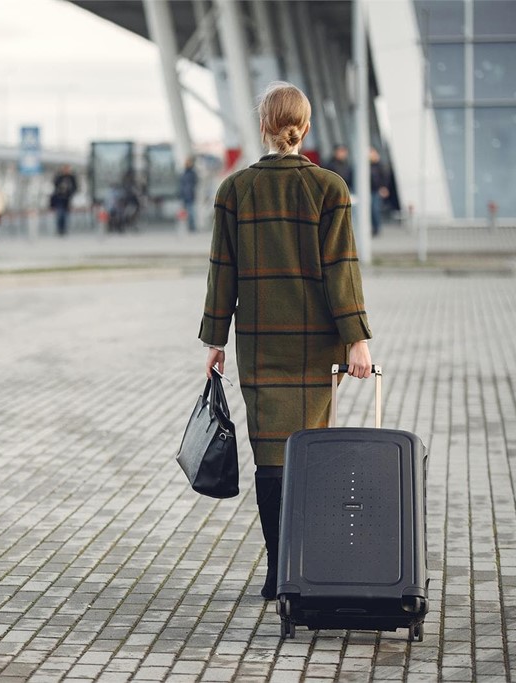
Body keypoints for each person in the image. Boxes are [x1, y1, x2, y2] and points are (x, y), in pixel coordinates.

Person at [199, 82, 373, 601]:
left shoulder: (234, 189)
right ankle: (304, 567)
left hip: (259, 344)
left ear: (263, 127)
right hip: (316, 344)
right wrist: (357, 341)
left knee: (270, 458)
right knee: (309, 453)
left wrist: (215, 339)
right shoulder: (330, 187)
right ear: (306, 126)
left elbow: (220, 272)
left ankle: (279, 569)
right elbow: (342, 271)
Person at [49, 164, 78, 237]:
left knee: (65, 215)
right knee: (60, 214)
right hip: (59, 199)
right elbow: (55, 184)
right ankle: (60, 229)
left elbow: (75, 187)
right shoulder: (59, 177)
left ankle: (64, 229)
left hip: (67, 199)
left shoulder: (71, 177)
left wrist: (70, 193)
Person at [369, 147, 390, 236]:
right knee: (370, 210)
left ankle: (376, 228)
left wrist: (384, 188)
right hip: (368, 191)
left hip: (376, 190)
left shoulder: (380, 165)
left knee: (375, 209)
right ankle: (372, 227)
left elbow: (385, 177)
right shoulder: (366, 166)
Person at [178, 156, 199, 233]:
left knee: (191, 212)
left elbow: (194, 183)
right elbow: (181, 185)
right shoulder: (184, 173)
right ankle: (188, 227)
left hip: (190, 195)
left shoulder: (192, 173)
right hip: (184, 195)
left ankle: (192, 227)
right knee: (186, 212)